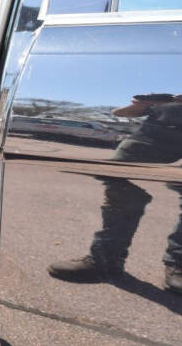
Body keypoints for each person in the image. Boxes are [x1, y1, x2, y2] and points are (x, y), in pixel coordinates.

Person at [48, 94, 182, 294]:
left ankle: (178, 267)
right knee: (116, 180)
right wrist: (144, 105)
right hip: (152, 137)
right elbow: (120, 113)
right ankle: (105, 261)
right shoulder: (169, 101)